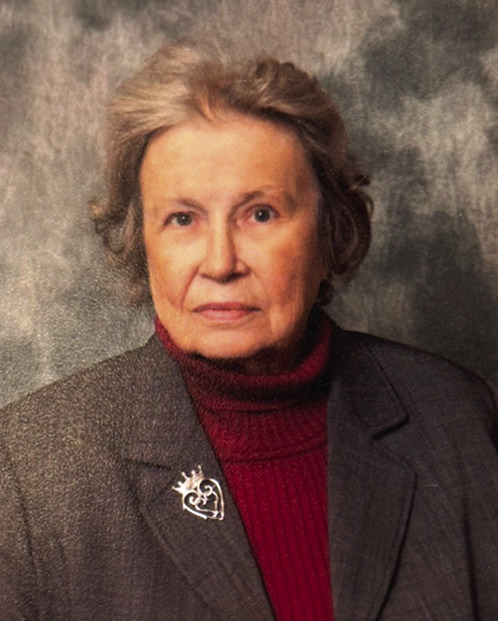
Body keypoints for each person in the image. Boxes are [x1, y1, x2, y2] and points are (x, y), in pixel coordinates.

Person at [1, 41, 497, 621]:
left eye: (260, 213)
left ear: (329, 229)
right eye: (182, 219)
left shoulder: (458, 418)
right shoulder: (31, 468)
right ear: (142, 241)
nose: (220, 262)